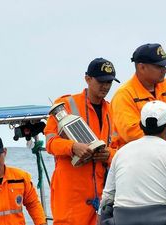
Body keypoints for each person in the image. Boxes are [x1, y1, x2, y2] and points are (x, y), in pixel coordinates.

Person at [44, 58, 119, 225]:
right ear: (87, 79)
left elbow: (119, 150)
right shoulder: (65, 105)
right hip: (71, 194)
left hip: (101, 194)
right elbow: (50, 142)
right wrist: (73, 147)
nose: (106, 86)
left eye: (109, 82)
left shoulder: (112, 110)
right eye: (101, 81)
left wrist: (108, 154)